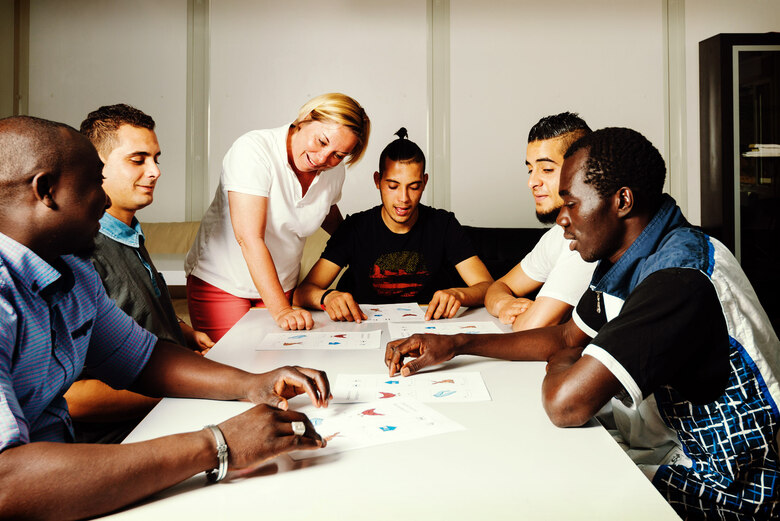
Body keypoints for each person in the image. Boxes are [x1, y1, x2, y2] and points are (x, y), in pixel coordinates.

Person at [385, 128, 780, 520]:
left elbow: (566, 403)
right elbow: (566, 336)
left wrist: (568, 360)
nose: (562, 220)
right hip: (671, 444)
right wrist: (456, 344)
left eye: (571, 204)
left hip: (728, 489)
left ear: (622, 200)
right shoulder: (635, 252)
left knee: (535, 492)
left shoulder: (680, 276)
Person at [0, 115, 331, 519]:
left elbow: (145, 358)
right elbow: (8, 483)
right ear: (46, 191)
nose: (104, 200)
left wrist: (255, 384)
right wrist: (218, 444)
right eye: (92, 184)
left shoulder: (72, 266)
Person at [62, 104, 215, 443]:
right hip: (123, 440)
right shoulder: (79, 252)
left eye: (156, 159)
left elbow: (135, 306)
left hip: (171, 413)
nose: (155, 171)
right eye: (138, 159)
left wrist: (183, 332)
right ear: (94, 166)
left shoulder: (127, 232)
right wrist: (187, 388)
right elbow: (73, 398)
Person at [185, 93, 370, 339]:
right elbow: (249, 238)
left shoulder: (333, 172)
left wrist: (361, 248)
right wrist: (282, 311)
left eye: (338, 155)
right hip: (224, 283)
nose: (323, 158)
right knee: (237, 370)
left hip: (282, 284)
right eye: (322, 141)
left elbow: (325, 209)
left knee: (281, 369)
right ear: (304, 119)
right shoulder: (252, 150)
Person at [293, 128, 493, 322]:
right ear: (377, 181)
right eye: (393, 186)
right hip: (363, 328)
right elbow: (302, 292)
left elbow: (487, 287)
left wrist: (459, 294)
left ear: (424, 182)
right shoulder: (355, 228)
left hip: (429, 332)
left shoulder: (444, 224)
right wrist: (327, 297)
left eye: (414, 187)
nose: (403, 199)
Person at [485, 112, 595, 331]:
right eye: (529, 169)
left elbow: (532, 328)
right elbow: (499, 286)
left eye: (546, 169)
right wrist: (505, 303)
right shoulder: (557, 235)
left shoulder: (592, 236)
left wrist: (524, 317)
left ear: (582, 168)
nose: (531, 181)